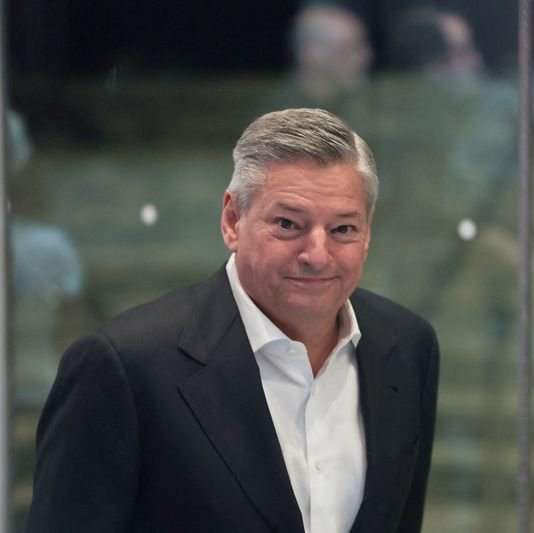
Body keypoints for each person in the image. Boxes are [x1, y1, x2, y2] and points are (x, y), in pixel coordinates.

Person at [26, 108, 440, 533]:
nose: (317, 255)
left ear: (368, 232)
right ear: (232, 221)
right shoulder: (125, 366)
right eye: (288, 224)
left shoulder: (408, 347)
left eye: (343, 229)